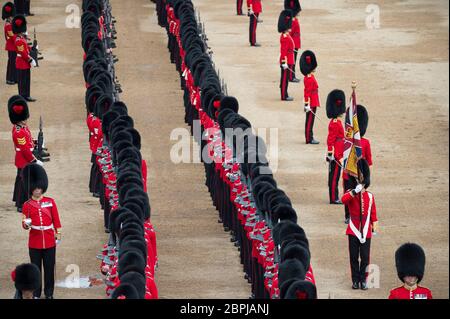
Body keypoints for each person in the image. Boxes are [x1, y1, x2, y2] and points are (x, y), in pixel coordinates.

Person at [21, 163, 62, 299]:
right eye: (35, 188)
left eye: (39, 187)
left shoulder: (50, 202)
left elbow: (56, 219)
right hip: (35, 240)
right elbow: (25, 223)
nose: (38, 190)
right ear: (31, 188)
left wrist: (58, 233)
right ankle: (37, 293)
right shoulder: (26, 205)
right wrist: (26, 225)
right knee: (36, 269)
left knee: (49, 268)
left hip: (50, 240)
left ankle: (49, 293)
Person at [341, 159, 378, 290]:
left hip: (366, 229)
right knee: (353, 257)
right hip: (353, 230)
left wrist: (375, 229)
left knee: (365, 257)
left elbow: (373, 214)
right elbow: (344, 200)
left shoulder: (370, 196)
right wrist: (354, 192)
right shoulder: (352, 194)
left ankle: (363, 280)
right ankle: (355, 280)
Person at [8, 95, 41, 212]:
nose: (26, 120)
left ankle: (17, 199)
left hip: (24, 158)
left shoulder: (22, 128)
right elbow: (24, 149)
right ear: (20, 118)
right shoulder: (18, 132)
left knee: (20, 179)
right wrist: (34, 160)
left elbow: (28, 142)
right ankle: (21, 204)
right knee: (24, 182)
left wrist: (36, 142)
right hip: (23, 160)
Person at [344, 104, 371, 223]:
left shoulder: (364, 143)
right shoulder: (348, 142)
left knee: (359, 195)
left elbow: (367, 162)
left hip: (359, 173)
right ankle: (348, 215)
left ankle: (357, 213)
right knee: (349, 194)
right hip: (349, 173)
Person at [326, 90, 346, 204]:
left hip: (339, 151)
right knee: (334, 177)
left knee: (335, 176)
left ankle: (334, 196)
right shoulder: (334, 123)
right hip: (336, 154)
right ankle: (333, 198)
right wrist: (331, 153)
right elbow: (331, 140)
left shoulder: (337, 122)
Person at [12, 14, 36, 102]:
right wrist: (30, 59)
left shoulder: (21, 38)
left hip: (25, 63)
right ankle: (22, 96)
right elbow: (22, 53)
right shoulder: (18, 40)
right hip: (21, 62)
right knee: (22, 81)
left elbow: (26, 48)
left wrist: (33, 48)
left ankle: (27, 95)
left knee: (27, 80)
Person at [300, 50, 320, 144]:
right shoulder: (308, 78)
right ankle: (309, 138)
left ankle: (310, 136)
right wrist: (307, 104)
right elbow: (307, 92)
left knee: (310, 120)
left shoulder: (310, 76)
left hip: (313, 101)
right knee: (309, 121)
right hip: (311, 102)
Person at [278, 9, 294, 102]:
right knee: (284, 80)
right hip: (286, 61)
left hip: (289, 60)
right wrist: (284, 62)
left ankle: (285, 93)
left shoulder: (287, 35)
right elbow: (283, 51)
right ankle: (284, 95)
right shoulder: (284, 37)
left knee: (285, 79)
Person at [284, 0, 301, 82]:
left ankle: (292, 75)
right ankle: (291, 76)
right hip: (293, 43)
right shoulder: (293, 21)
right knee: (292, 61)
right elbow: (290, 34)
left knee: (293, 60)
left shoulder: (294, 20)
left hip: (296, 42)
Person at [3, 2, 17, 84]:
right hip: (11, 46)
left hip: (13, 45)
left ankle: (13, 78)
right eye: (12, 17)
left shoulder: (10, 23)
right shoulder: (8, 25)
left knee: (13, 62)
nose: (13, 18)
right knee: (12, 63)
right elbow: (12, 36)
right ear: (9, 17)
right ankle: (10, 79)